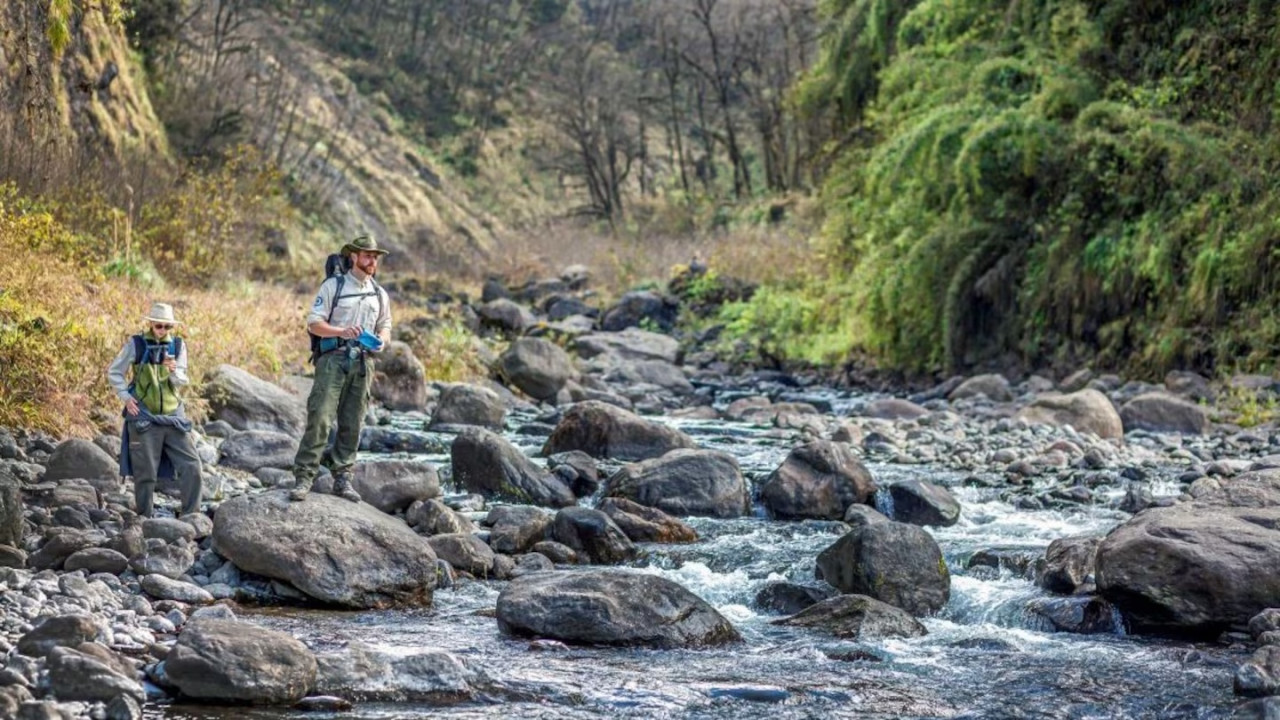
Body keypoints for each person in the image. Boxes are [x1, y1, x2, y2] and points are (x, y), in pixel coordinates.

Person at [290, 235, 392, 502]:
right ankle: (304, 478)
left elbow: (386, 325)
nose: (373, 261)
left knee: (353, 423)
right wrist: (342, 331)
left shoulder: (380, 294)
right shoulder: (333, 287)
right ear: (354, 257)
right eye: (368, 256)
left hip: (363, 363)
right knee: (321, 418)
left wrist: (382, 340)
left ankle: (343, 479)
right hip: (332, 360)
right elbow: (314, 324)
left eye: (375, 257)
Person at [106, 302, 204, 517]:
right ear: (151, 324)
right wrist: (126, 397)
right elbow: (114, 372)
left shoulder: (178, 346)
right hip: (144, 417)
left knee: (192, 466)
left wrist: (173, 371)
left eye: (167, 327)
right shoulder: (136, 344)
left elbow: (181, 380)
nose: (163, 331)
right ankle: (144, 519)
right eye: (159, 326)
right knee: (145, 474)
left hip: (172, 416)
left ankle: (191, 516)